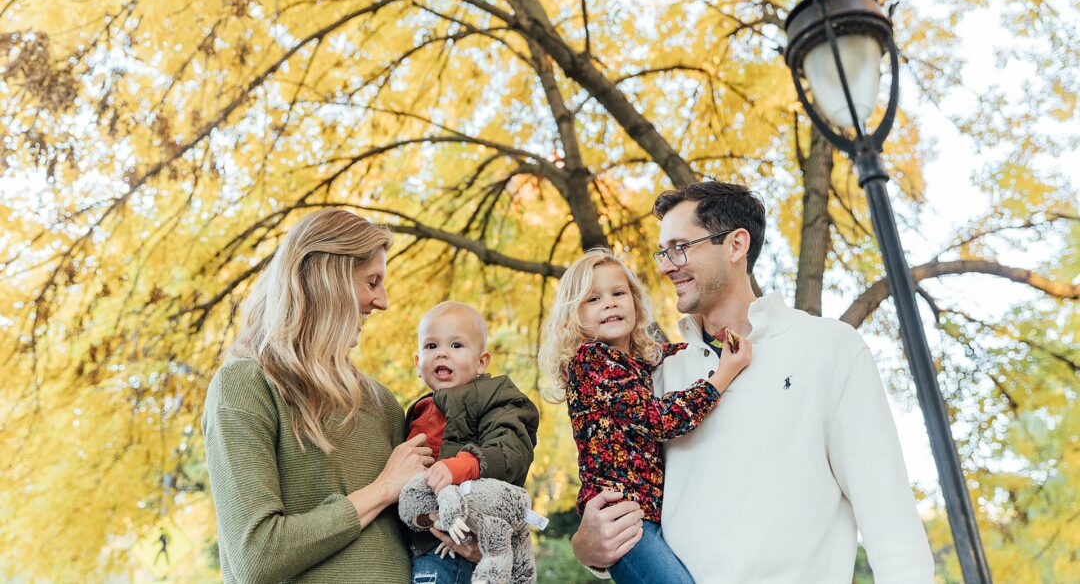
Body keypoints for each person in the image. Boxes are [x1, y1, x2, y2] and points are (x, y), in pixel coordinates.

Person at [571, 182, 935, 583]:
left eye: (679, 248)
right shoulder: (657, 373)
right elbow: (628, 505)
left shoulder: (829, 349)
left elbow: (891, 524)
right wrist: (588, 548)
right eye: (663, 252)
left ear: (735, 245)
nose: (665, 266)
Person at [202, 208, 472, 583]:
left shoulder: (382, 402)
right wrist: (382, 489)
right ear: (327, 280)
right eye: (372, 282)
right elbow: (256, 555)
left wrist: (466, 541)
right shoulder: (246, 384)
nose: (383, 302)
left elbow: (415, 524)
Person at [539, 249, 751, 583]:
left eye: (618, 293)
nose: (610, 303)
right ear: (573, 317)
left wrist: (700, 347)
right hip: (621, 521)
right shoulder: (593, 363)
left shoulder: (632, 362)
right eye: (594, 298)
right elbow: (659, 419)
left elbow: (664, 354)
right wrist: (721, 376)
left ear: (635, 303)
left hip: (646, 515)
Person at [403, 301, 540, 584]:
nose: (442, 353)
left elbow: (511, 449)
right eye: (431, 346)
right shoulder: (418, 410)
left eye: (456, 345)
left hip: (463, 539)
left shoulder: (494, 397)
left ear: (481, 361)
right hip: (423, 535)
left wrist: (464, 464)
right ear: (418, 364)